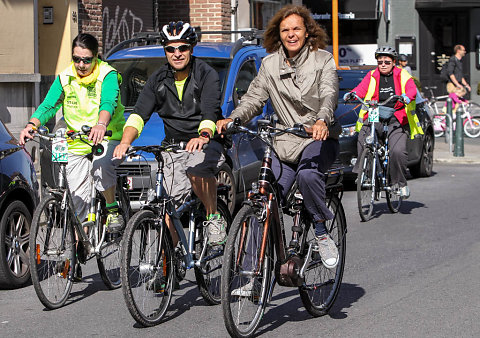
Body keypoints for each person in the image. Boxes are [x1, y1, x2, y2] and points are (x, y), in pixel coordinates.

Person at [217, 5, 341, 270]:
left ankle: (320, 230)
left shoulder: (323, 60)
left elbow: (329, 94)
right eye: (285, 30)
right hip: (283, 142)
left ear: (308, 32)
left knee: (308, 176)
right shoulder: (269, 64)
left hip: (317, 139)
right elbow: (253, 98)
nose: (291, 34)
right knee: (263, 197)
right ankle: (250, 271)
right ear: (278, 34)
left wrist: (322, 120)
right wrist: (234, 119)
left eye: (296, 28)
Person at [19, 33, 126, 280]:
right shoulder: (65, 76)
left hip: (107, 134)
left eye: (86, 60)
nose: (80, 65)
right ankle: (79, 250)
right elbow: (49, 105)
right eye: (76, 59)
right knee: (75, 200)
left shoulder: (107, 75)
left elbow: (108, 102)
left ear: (96, 57)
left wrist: (101, 124)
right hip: (76, 139)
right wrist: (31, 125)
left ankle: (111, 209)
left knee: (101, 166)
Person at [113, 21, 227, 246]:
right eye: (170, 49)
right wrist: (125, 142)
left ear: (191, 49)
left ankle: (213, 217)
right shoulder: (157, 79)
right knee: (166, 208)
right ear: (165, 51)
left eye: (182, 48)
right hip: (173, 146)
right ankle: (168, 267)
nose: (177, 54)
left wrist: (203, 135)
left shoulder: (207, 74)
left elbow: (210, 111)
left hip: (206, 141)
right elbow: (138, 115)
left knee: (197, 170)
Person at [344, 46, 424, 199]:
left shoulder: (402, 74)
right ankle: (365, 174)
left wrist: (407, 97)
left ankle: (399, 183)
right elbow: (362, 89)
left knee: (397, 151)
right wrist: (352, 94)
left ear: (394, 62)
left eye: (387, 62)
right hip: (375, 114)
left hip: (396, 115)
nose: (383, 64)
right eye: (380, 62)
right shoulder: (372, 75)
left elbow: (411, 89)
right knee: (363, 138)